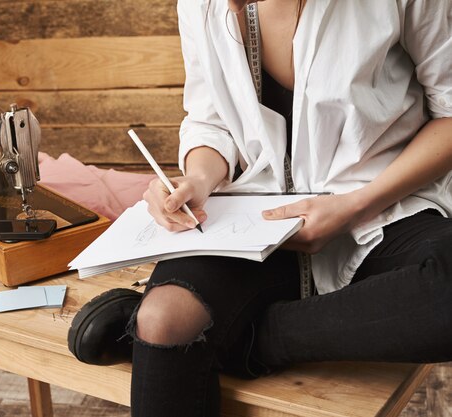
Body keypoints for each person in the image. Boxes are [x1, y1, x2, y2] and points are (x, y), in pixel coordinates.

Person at [67, 1, 452, 416]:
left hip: (384, 206)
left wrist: (354, 205)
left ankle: (243, 342)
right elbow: (210, 120)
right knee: (163, 320)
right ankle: (174, 326)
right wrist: (198, 178)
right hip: (257, 219)